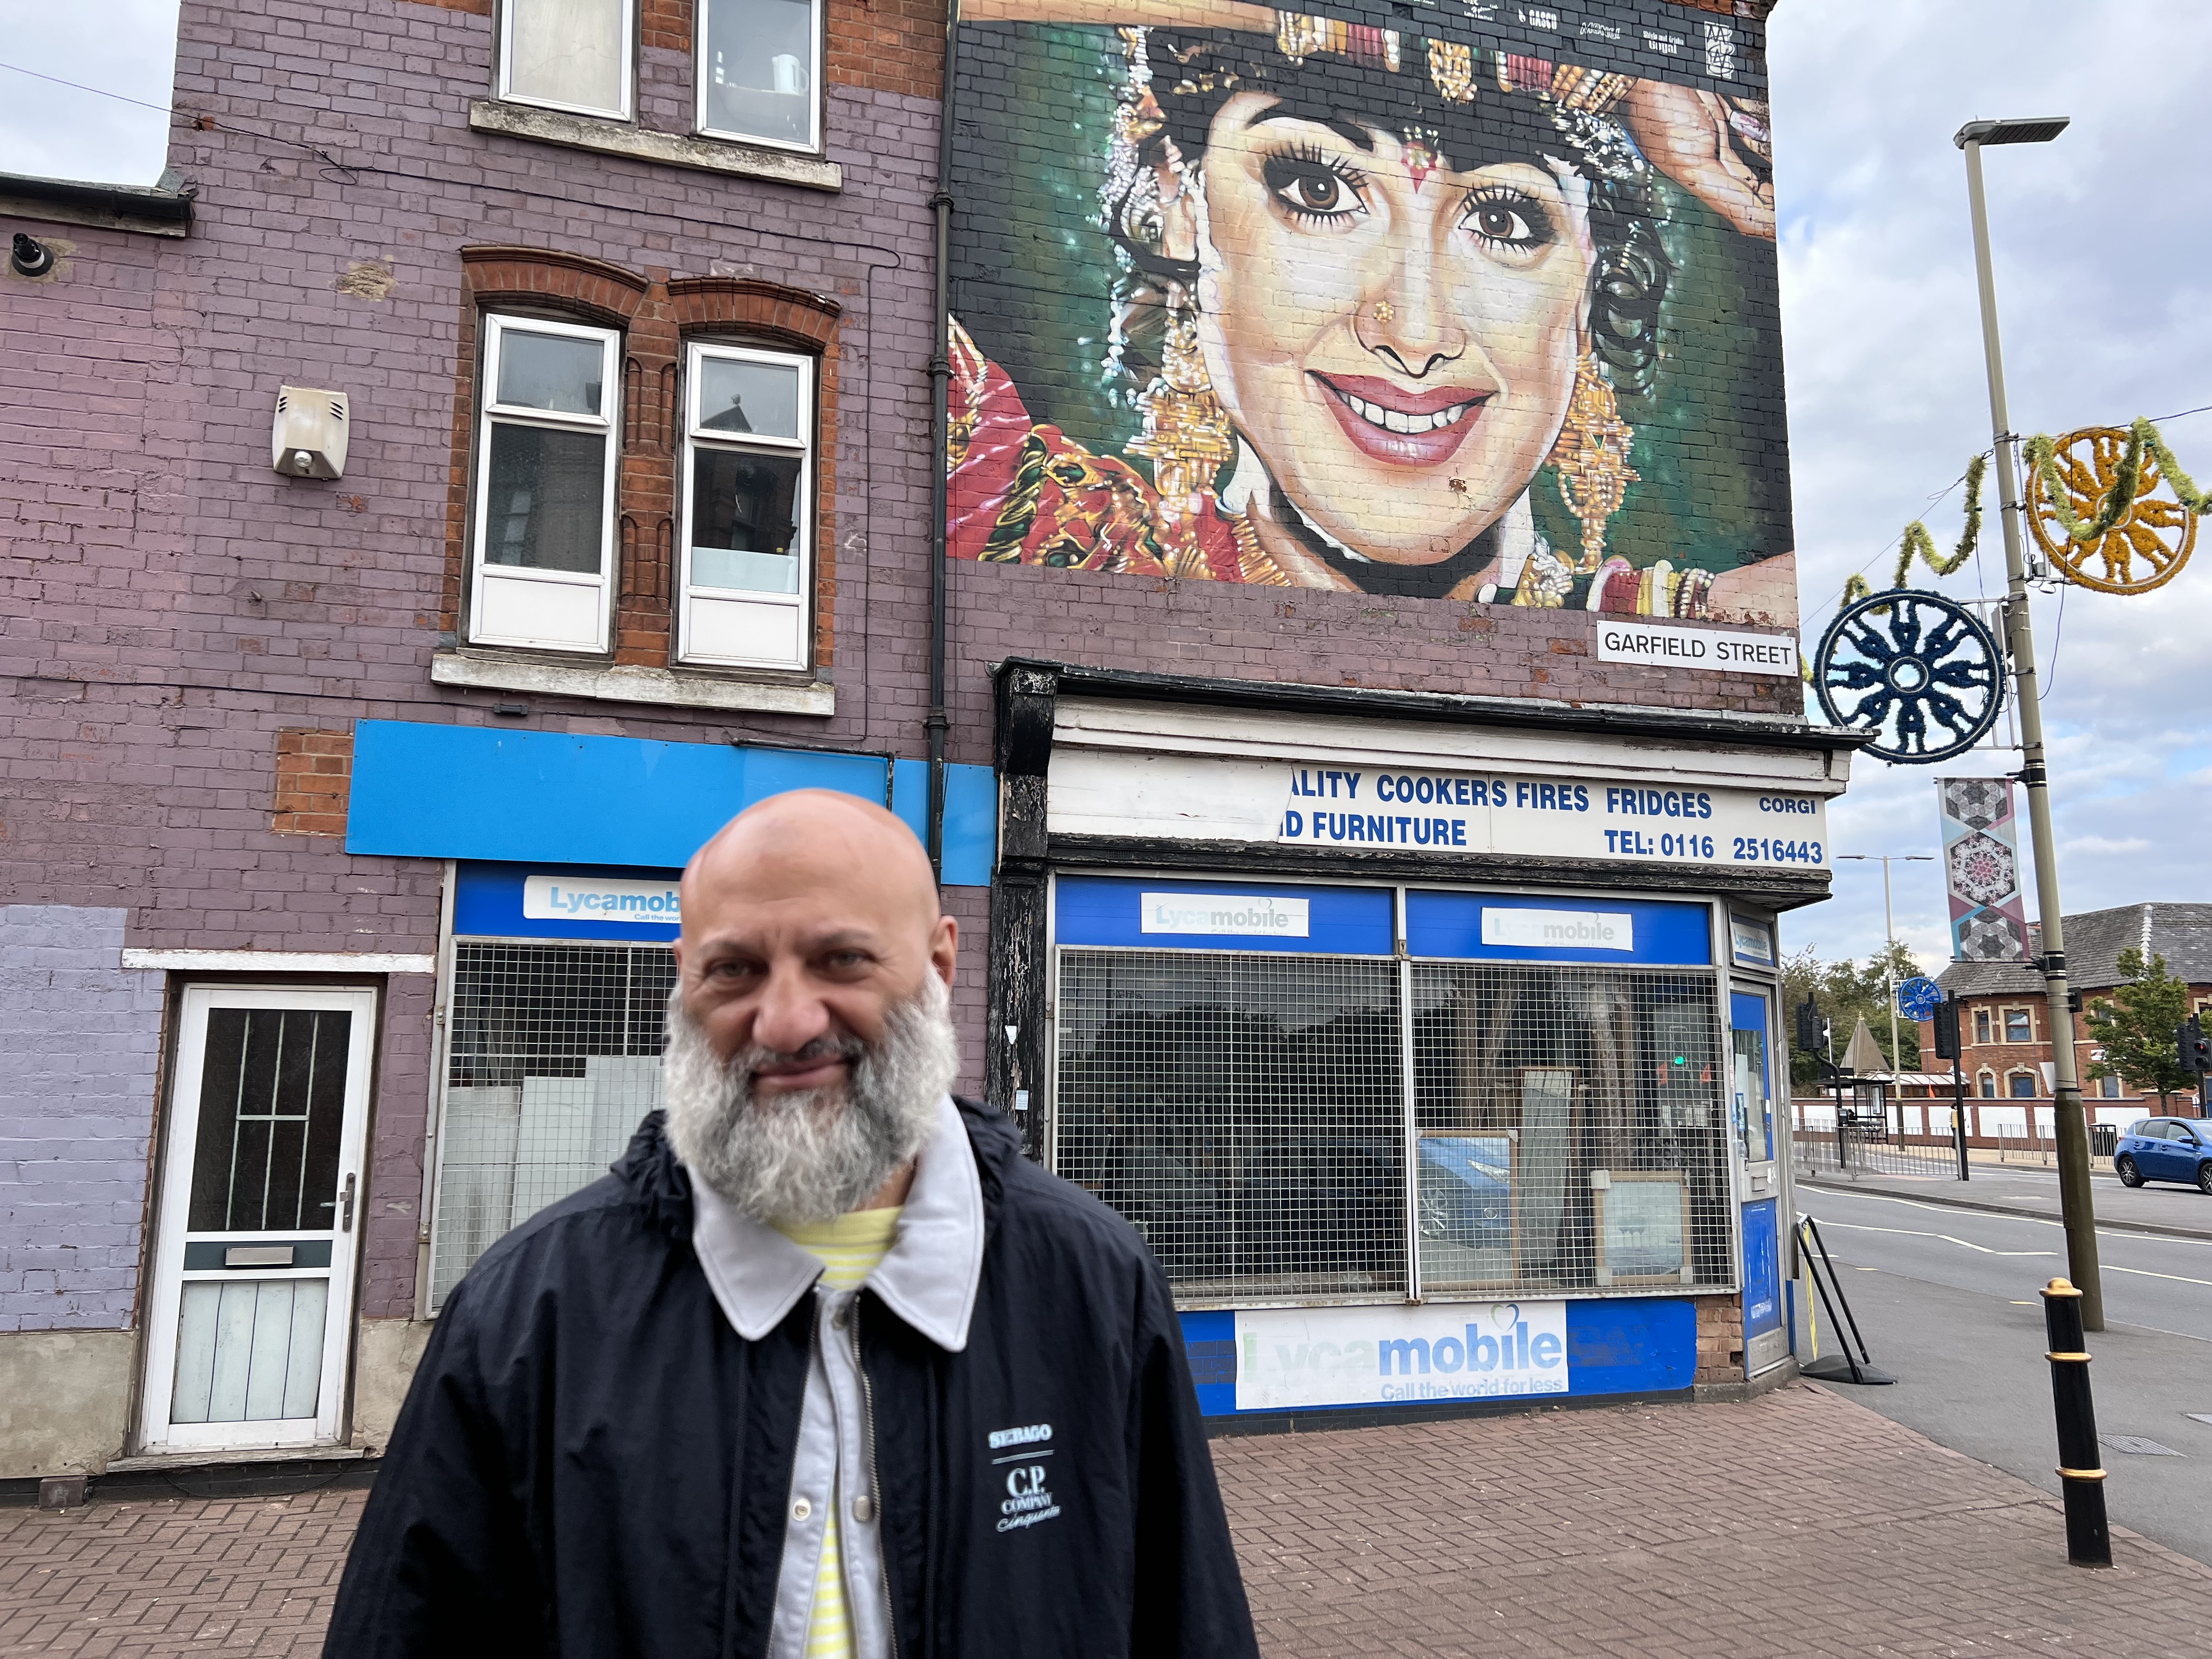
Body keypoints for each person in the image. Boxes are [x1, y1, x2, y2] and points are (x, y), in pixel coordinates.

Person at [325, 790, 1257, 1659]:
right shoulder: (527, 1317)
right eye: (734, 970)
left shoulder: (1094, 1282)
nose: (783, 1021)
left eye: (840, 960)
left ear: (938, 966)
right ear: (684, 983)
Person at [947, 1, 1782, 617]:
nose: (1416, 333)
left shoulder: (1674, 631)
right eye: (1317, 188)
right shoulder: (1036, 534)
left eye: (1504, 220)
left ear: (1589, 283)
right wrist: (1617, 49)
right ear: (1184, 210)